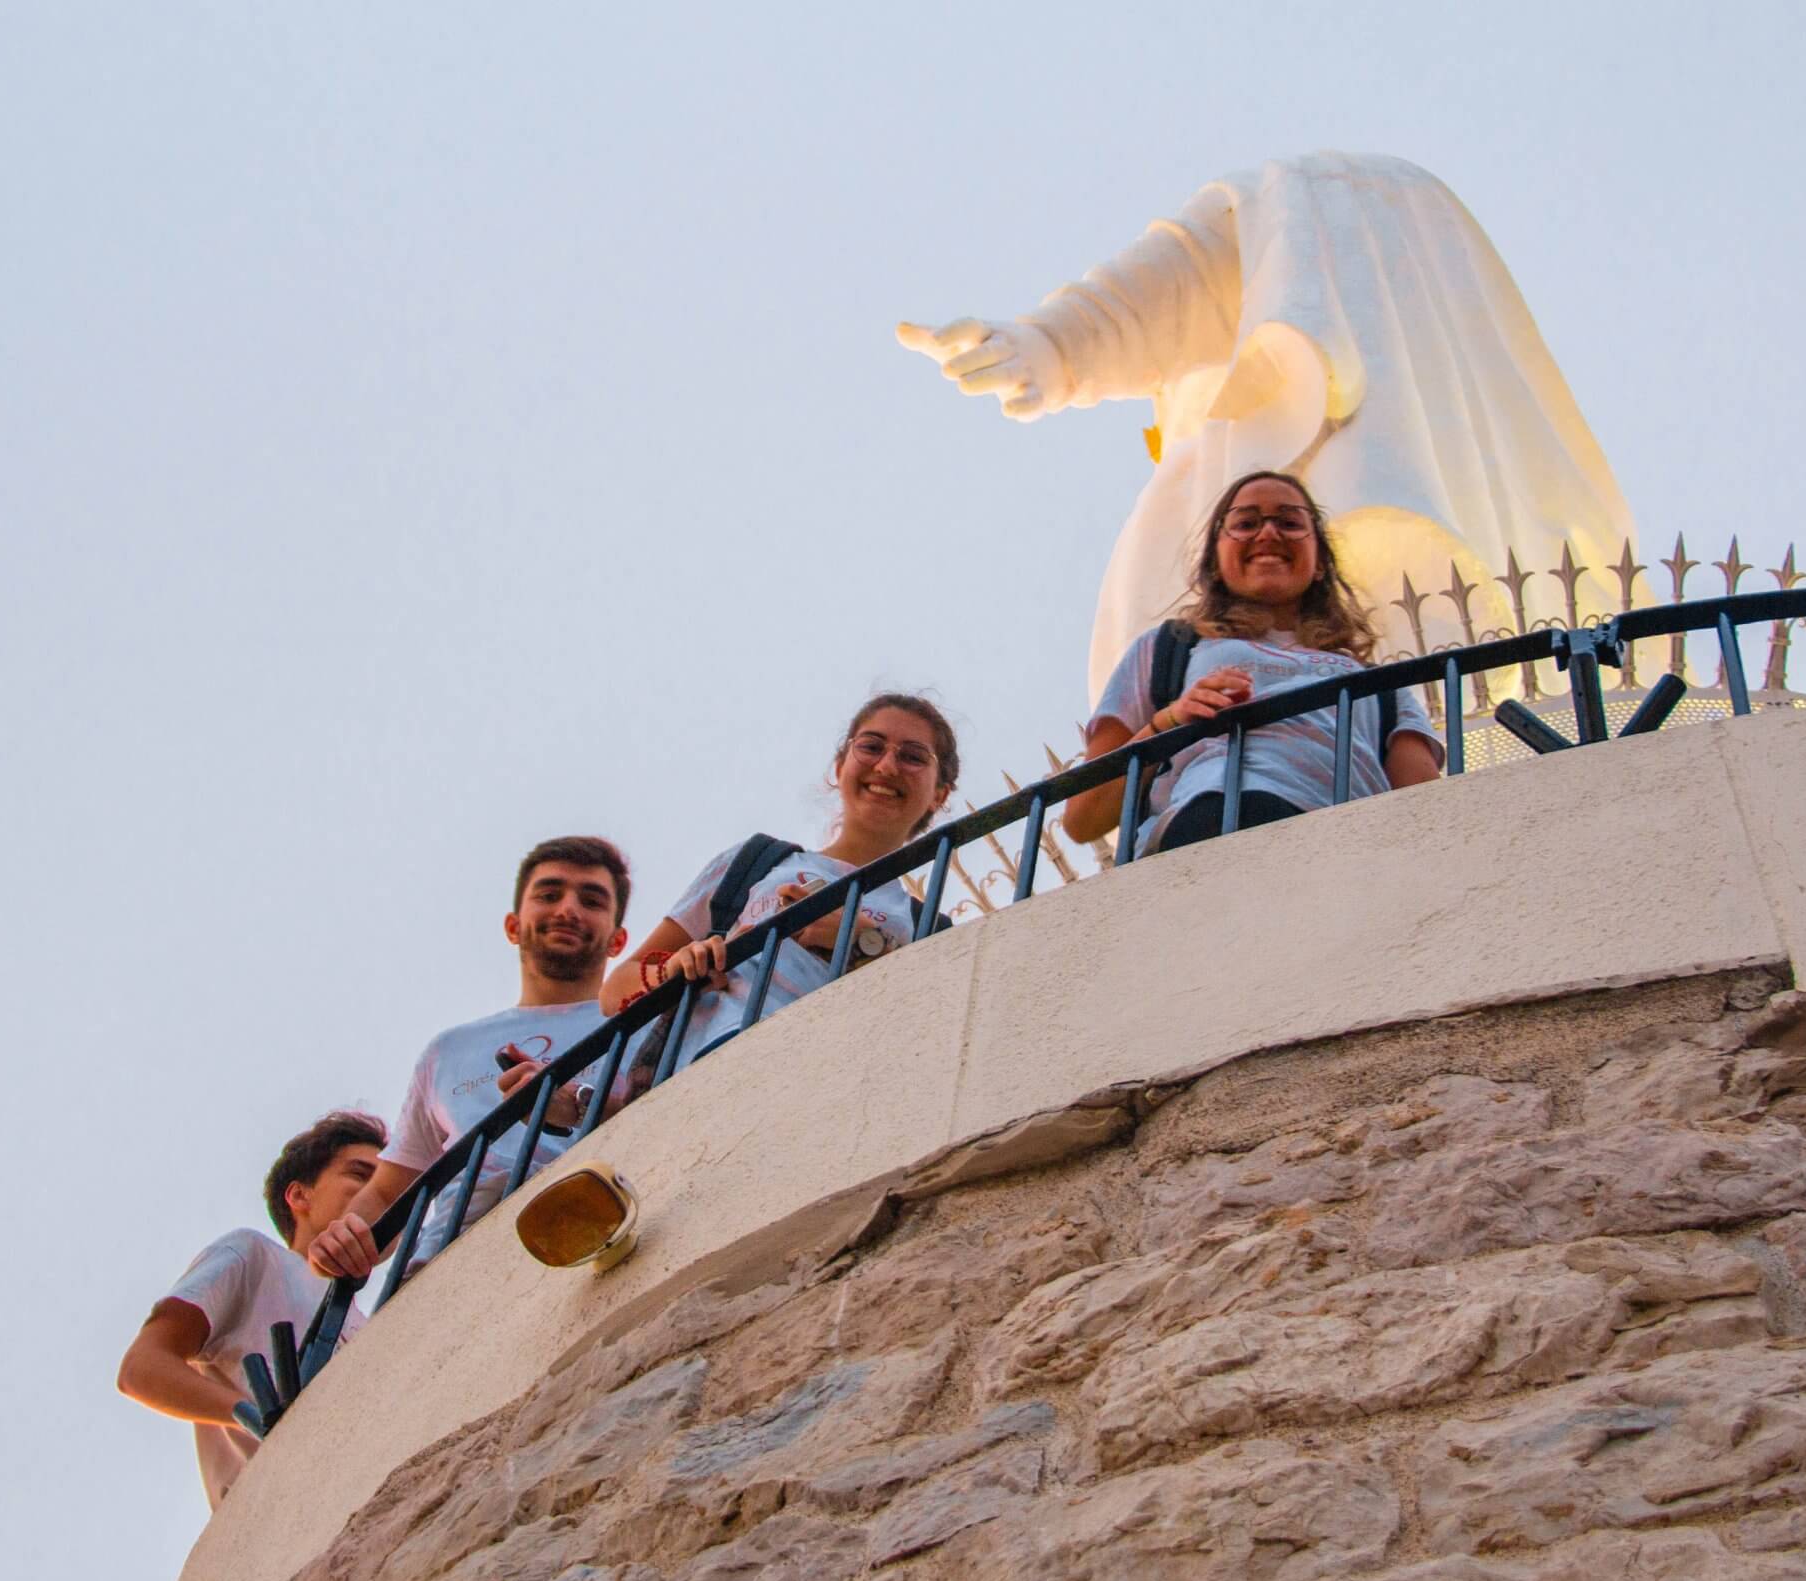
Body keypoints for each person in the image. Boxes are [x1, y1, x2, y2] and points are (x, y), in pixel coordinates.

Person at [897, 148, 1635, 702]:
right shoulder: (1310, 199)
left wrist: (1055, 345)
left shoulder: (1329, 206)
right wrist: (1054, 344)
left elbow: (1186, 271)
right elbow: (1182, 275)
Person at [1062, 470, 1443, 855]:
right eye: (1245, 523)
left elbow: (1428, 814)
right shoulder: (1168, 649)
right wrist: (1171, 722)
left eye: (1290, 522)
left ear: (1320, 563)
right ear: (1215, 561)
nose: (1267, 533)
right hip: (1211, 825)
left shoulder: (1381, 686)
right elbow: (1083, 817)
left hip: (1350, 847)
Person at [308, 835, 635, 1281]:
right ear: (513, 926)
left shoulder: (646, 1022)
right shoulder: (449, 1052)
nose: (568, 909)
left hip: (597, 1249)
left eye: (592, 899)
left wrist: (574, 1103)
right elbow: (388, 1194)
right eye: (549, 894)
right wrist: (344, 1239)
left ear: (618, 940)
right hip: (447, 1279)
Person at [602, 693, 958, 1065]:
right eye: (871, 746)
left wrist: (862, 942)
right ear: (839, 767)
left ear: (939, 794)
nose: (886, 767)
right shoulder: (756, 862)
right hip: (707, 1069)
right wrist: (674, 972)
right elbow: (614, 991)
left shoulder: (929, 927)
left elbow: (933, 1034)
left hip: (833, 1079)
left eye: (913, 756)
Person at [116, 1112, 383, 1510]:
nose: (377, 1193)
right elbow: (141, 1368)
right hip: (274, 1523)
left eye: (388, 1184)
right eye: (360, 1175)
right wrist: (255, 1415)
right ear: (299, 1196)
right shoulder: (254, 1257)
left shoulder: (371, 1322)